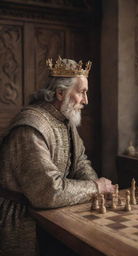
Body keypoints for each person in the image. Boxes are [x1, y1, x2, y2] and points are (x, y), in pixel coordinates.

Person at [0, 57, 115, 256]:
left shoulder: (65, 119)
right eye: (81, 92)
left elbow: (80, 162)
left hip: (54, 214)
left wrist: (96, 187)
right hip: (24, 221)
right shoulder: (31, 128)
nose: (86, 101)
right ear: (60, 93)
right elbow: (48, 192)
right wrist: (96, 187)